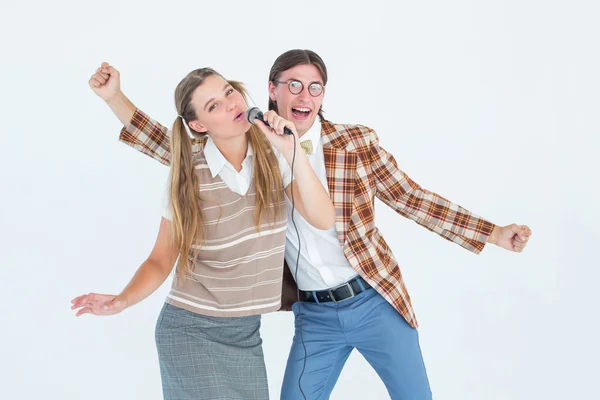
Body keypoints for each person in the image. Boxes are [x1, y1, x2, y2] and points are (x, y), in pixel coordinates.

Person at [89, 50, 532, 400]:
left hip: (373, 298)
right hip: (313, 314)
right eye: (294, 86)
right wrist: (115, 100)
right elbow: (178, 147)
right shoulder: (250, 142)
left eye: (315, 88)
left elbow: (409, 197)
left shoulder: (352, 142)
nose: (305, 97)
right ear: (272, 90)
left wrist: (490, 232)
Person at [71, 65, 335, 400]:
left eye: (228, 92)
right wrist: (123, 300)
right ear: (199, 125)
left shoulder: (274, 156)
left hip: (246, 334)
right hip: (190, 330)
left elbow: (323, 218)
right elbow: (160, 259)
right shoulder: (188, 173)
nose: (230, 103)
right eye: (213, 106)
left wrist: (292, 150)